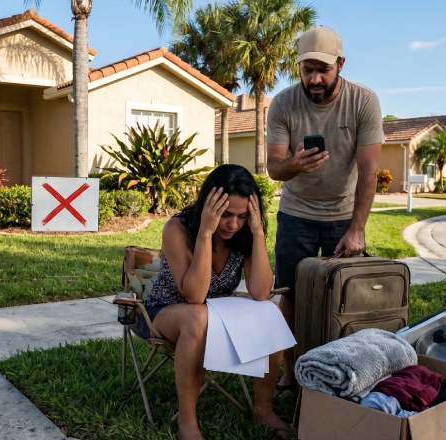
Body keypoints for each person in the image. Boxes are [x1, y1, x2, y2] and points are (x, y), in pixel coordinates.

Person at [264, 25, 385, 398]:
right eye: (306, 70)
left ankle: (346, 372)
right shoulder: (283, 104)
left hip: (343, 217)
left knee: (348, 296)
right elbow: (273, 168)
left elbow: (368, 173)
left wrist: (357, 228)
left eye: (322, 69)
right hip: (296, 214)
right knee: (292, 296)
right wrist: (294, 165)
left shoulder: (363, 101)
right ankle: (289, 373)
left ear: (340, 65)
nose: (314, 79)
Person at [143, 164, 289, 440]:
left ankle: (264, 410)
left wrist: (257, 233)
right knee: (197, 315)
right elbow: (195, 296)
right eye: (225, 214)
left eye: (242, 215)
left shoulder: (243, 233)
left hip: (217, 314)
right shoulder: (178, 228)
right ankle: (187, 423)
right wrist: (205, 234)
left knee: (270, 312)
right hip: (164, 312)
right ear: (208, 206)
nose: (233, 224)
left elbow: (260, 291)